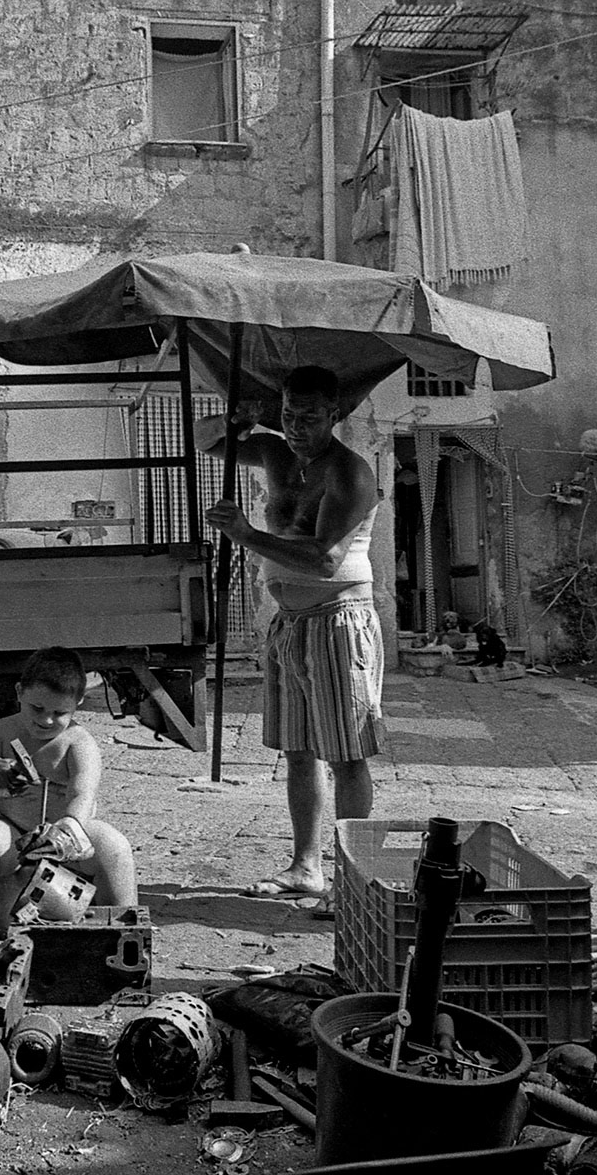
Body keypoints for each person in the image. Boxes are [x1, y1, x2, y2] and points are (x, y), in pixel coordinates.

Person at [200, 365, 385, 901]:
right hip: (289, 624)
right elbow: (202, 440)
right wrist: (235, 422)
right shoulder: (277, 454)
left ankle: (354, 882)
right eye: (287, 415)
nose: (296, 426)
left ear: (335, 415)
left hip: (338, 622)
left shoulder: (349, 474)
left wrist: (247, 535)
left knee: (347, 752)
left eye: (308, 416)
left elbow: (326, 560)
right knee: (299, 750)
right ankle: (306, 867)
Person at [0, 647, 138, 933]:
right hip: (14, 831)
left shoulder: (78, 742)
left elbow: (83, 793)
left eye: (59, 712)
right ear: (20, 692)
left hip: (70, 835)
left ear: (78, 703)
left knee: (115, 848)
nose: (46, 720)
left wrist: (69, 829)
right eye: (37, 708)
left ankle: (122, 938)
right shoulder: (2, 731)